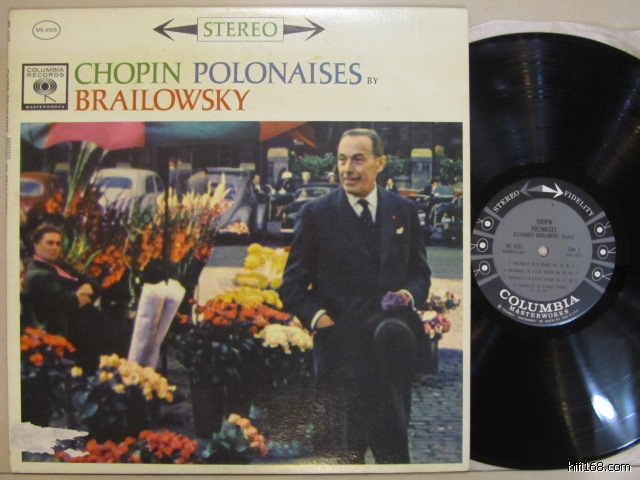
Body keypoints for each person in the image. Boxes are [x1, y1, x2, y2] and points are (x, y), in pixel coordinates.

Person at [279, 128, 431, 463]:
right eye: (342, 159)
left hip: (388, 357)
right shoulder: (316, 214)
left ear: (380, 163)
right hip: (340, 357)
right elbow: (291, 286)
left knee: (394, 458)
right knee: (343, 460)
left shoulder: (403, 210)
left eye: (358, 159)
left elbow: (420, 273)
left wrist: (407, 294)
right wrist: (323, 322)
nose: (347, 169)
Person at [22, 224, 132, 372]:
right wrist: (79, 295)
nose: (55, 247)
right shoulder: (39, 275)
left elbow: (94, 283)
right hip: (72, 330)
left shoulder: (60, 265)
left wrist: (83, 292)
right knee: (124, 342)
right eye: (50, 243)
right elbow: (69, 303)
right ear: (36, 245)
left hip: (88, 320)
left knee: (126, 337)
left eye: (58, 244)